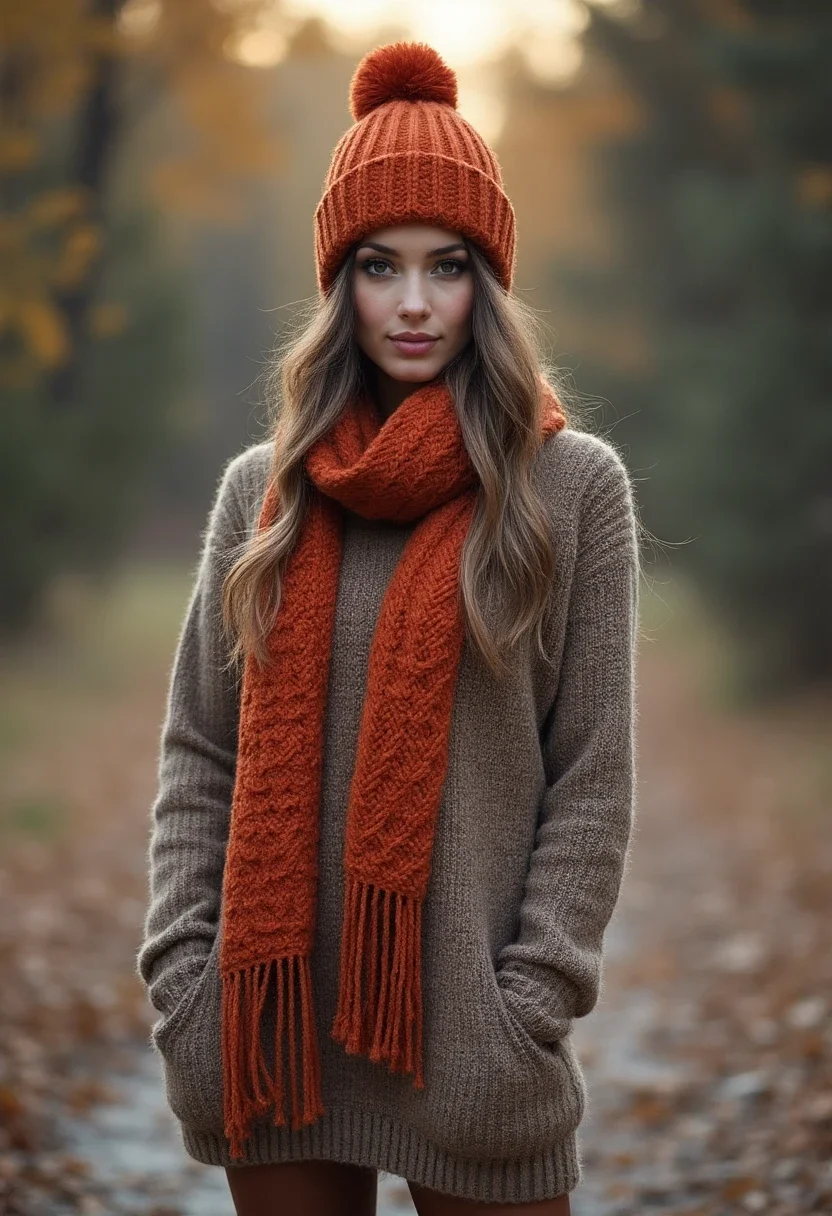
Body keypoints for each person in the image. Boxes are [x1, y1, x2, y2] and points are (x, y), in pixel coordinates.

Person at [136, 39, 641, 1216]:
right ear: (338, 281)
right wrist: (188, 979)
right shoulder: (262, 491)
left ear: (489, 279)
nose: (413, 305)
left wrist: (527, 1005)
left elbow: (594, 782)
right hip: (275, 1039)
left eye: (446, 266)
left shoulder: (570, 489)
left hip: (475, 1051)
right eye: (378, 266)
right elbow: (198, 755)